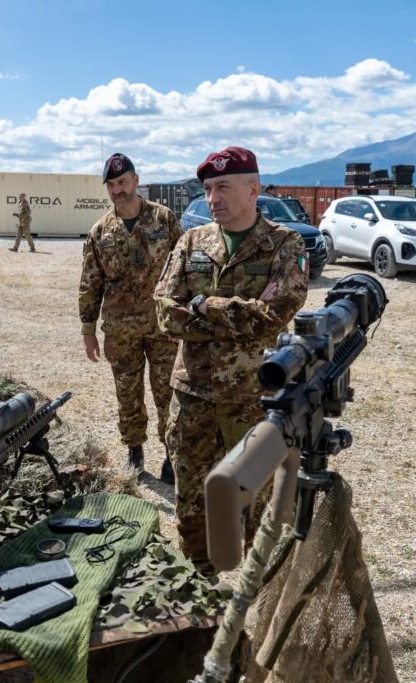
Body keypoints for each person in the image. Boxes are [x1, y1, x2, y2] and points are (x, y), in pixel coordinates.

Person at [154, 146, 309, 564]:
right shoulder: (191, 241)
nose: (213, 198)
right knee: (191, 502)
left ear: (253, 188)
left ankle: (256, 599)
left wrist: (204, 306)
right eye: (207, 189)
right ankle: (198, 593)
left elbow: (274, 315)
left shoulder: (283, 243)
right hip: (193, 398)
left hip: (253, 400)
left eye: (223, 187)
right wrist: (232, 313)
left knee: (261, 506)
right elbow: (166, 313)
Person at [78, 153, 183, 481]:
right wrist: (87, 328)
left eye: (122, 182)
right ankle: (134, 452)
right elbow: (90, 281)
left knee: (168, 392)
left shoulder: (164, 219)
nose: (117, 190)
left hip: (163, 326)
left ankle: (171, 455)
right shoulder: (100, 231)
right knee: (128, 392)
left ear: (136, 181)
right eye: (111, 185)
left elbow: (185, 267)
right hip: (121, 330)